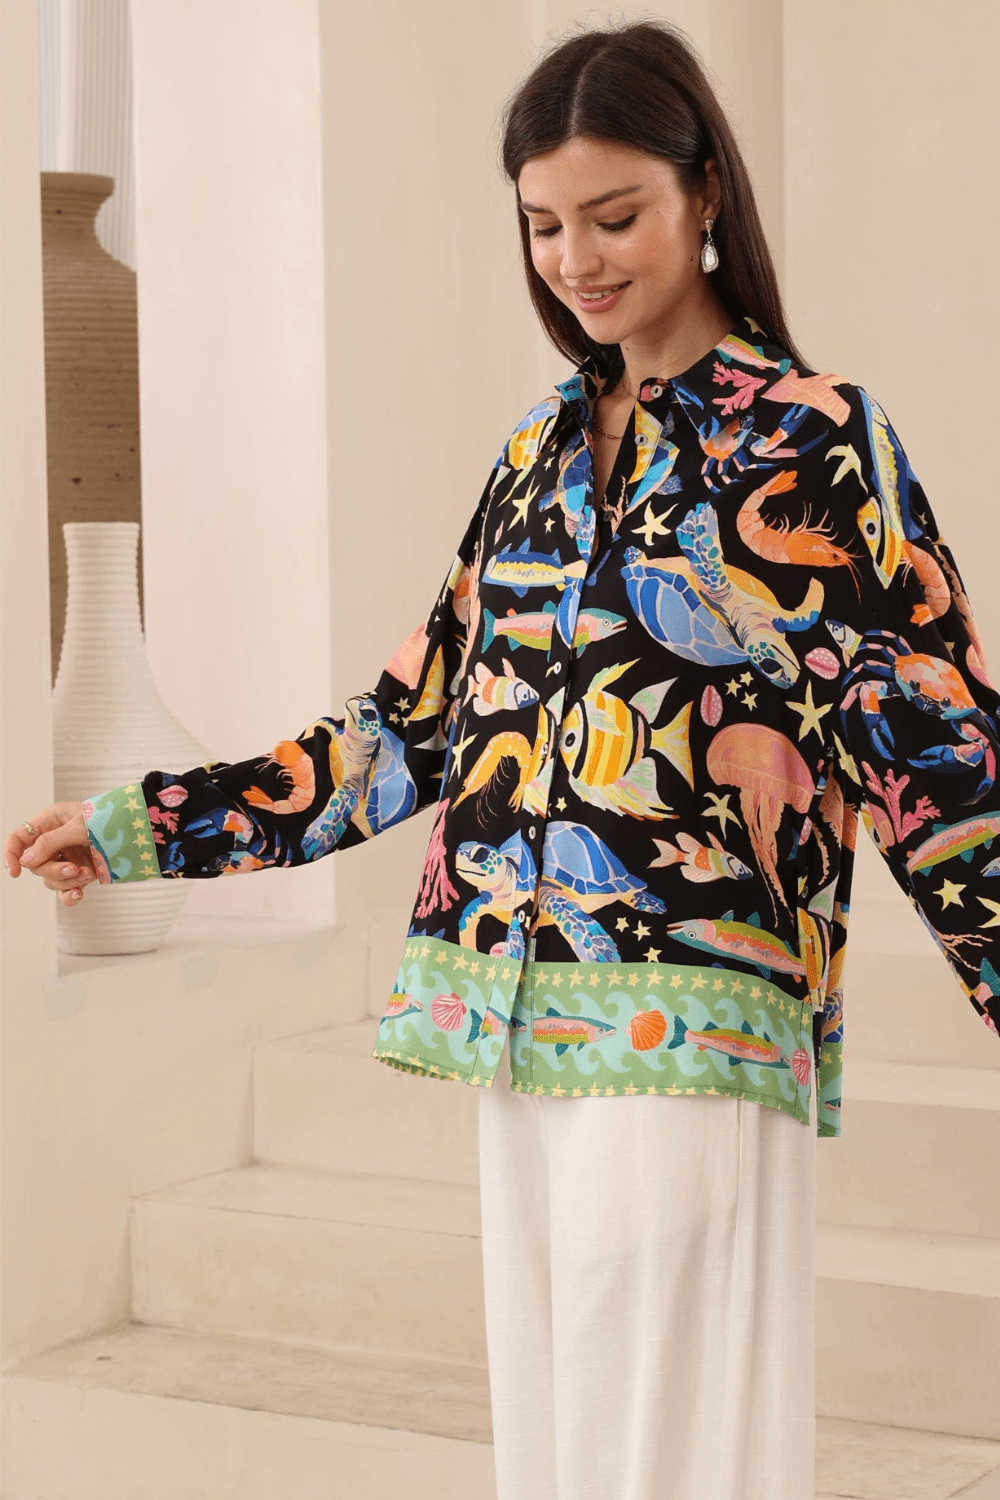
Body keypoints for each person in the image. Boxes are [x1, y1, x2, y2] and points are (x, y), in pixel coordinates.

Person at [6, 18, 999, 1500]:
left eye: (614, 216)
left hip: (693, 1012)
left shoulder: (816, 440)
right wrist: (148, 825)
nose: (576, 261)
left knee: (664, 1453)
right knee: (562, 1449)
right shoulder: (539, 450)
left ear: (705, 194)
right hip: (516, 1017)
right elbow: (413, 723)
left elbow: (939, 744)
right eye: (544, 225)